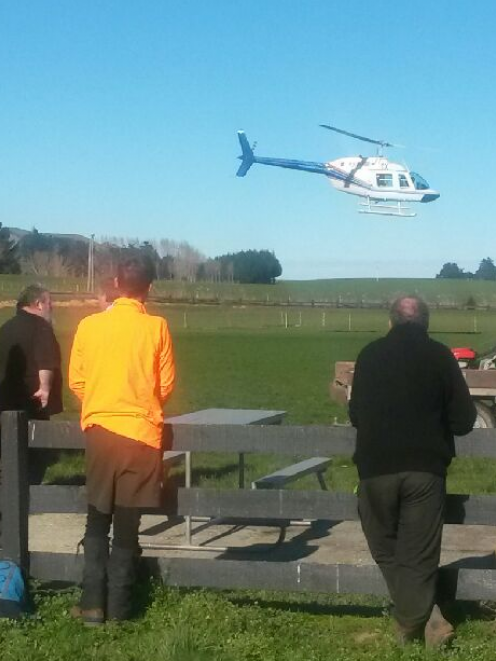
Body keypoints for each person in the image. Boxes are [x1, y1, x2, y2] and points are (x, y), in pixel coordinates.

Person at [349, 295, 476, 647]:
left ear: (390, 322)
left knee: (384, 547)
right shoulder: (440, 357)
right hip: (425, 470)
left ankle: (412, 624)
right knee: (419, 554)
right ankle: (421, 620)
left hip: (375, 471)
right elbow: (465, 421)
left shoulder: (369, 355)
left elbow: (355, 414)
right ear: (426, 324)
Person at [69, 256, 175, 625]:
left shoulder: (89, 326)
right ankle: (120, 608)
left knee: (97, 520)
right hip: (142, 435)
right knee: (128, 526)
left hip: (100, 430)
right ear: (149, 288)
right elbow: (165, 385)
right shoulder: (157, 327)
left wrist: (101, 403)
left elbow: (77, 381)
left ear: (115, 282)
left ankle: (92, 604)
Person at [0, 285, 63, 482]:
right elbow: (46, 360)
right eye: (49, 302)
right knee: (35, 457)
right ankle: (28, 500)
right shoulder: (41, 327)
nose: (52, 307)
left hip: (6, 402)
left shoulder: (6, 327)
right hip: (34, 403)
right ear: (39, 304)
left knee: (8, 453)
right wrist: (44, 388)